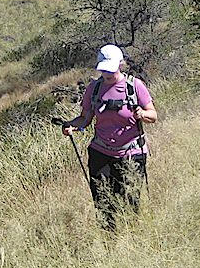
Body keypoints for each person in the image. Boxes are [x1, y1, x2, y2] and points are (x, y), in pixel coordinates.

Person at [61, 44, 157, 230]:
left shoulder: (134, 86)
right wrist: (71, 126)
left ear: (120, 64)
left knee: (130, 202)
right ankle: (109, 240)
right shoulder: (94, 89)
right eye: (104, 69)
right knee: (103, 202)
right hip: (101, 153)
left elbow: (153, 115)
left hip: (131, 153)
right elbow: (85, 118)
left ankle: (132, 240)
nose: (107, 73)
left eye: (110, 68)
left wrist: (142, 115)